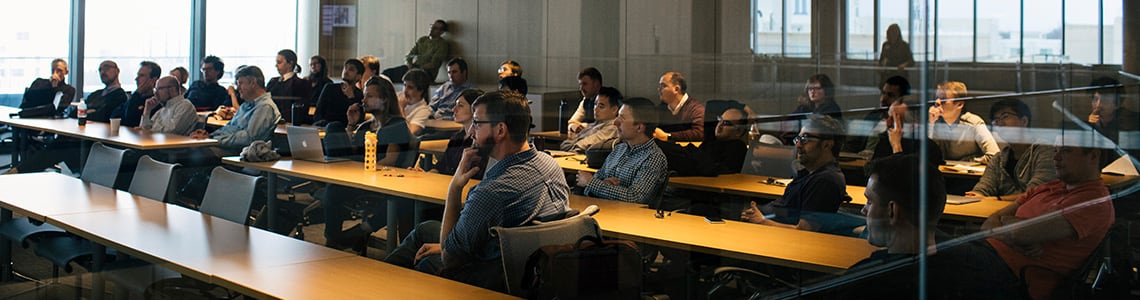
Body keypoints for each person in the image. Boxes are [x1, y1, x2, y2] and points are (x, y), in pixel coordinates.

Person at [383, 91, 572, 292]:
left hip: (492, 277)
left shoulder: (491, 192)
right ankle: (380, 282)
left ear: (500, 130)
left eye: (477, 123)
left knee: (427, 262)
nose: (471, 131)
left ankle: (378, 287)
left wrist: (455, 187)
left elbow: (449, 258)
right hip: (528, 264)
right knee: (425, 228)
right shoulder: (550, 164)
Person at [839, 154, 1024, 299]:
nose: (864, 211)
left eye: (869, 201)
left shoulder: (868, 281)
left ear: (892, 210)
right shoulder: (984, 267)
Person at [983, 132, 1114, 300]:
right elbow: (988, 225)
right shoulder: (1048, 187)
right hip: (991, 257)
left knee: (941, 258)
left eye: (1065, 151)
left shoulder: (1094, 201)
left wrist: (1012, 226)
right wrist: (1017, 236)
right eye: (1055, 150)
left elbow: (1020, 233)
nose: (1056, 157)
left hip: (1014, 277)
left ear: (1093, 156)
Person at [321, 76, 417, 251]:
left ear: (385, 99)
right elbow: (354, 153)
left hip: (381, 179)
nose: (363, 100)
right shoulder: (365, 126)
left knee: (334, 190)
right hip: (357, 175)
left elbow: (390, 160)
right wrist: (351, 125)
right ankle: (333, 239)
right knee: (334, 127)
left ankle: (340, 238)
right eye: (364, 96)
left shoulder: (396, 125)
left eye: (370, 96)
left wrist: (361, 170)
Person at [9, 60, 127, 175]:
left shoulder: (119, 95)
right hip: (81, 136)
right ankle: (20, 171)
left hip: (95, 142)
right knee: (60, 145)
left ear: (117, 71)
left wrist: (87, 112)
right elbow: (74, 113)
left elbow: (102, 116)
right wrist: (88, 112)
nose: (102, 72)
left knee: (61, 147)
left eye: (106, 68)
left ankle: (19, 171)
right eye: (100, 69)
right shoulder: (96, 93)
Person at [741, 114, 848, 231]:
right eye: (798, 139)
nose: (798, 145)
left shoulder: (825, 180)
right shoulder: (808, 173)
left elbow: (804, 230)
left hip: (777, 237)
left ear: (826, 145)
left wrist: (762, 221)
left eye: (805, 139)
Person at [576, 97, 668, 204]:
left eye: (622, 118)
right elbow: (588, 188)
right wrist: (602, 185)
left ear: (639, 127)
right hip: (605, 210)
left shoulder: (653, 157)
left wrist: (593, 183)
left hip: (631, 218)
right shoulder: (619, 149)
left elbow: (635, 198)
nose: (615, 122)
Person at [965, 98, 1056, 200]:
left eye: (1005, 117)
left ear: (1024, 121)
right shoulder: (999, 159)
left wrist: (997, 199)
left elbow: (1034, 194)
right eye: (996, 120)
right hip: (1001, 212)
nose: (1000, 123)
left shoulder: (1045, 152)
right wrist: (975, 195)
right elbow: (983, 188)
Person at [189, 65, 282, 157]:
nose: (238, 88)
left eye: (240, 83)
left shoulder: (265, 107)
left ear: (253, 83)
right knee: (190, 148)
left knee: (192, 153)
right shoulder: (246, 105)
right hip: (229, 148)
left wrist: (214, 140)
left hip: (240, 153)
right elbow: (230, 128)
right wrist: (209, 136)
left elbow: (248, 139)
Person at [928, 81, 1000, 165]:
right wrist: (930, 124)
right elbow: (927, 156)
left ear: (960, 104)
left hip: (968, 176)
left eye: (943, 99)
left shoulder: (973, 123)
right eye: (936, 98)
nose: (937, 102)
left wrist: (970, 161)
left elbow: (994, 155)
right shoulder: (935, 122)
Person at [419, 89, 487, 178]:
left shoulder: (479, 142)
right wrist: (425, 175)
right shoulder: (457, 137)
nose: (454, 109)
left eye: (460, 106)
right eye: (455, 105)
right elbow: (441, 166)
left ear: (475, 110)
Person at [846, 75, 910, 154]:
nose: (883, 99)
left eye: (890, 95)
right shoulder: (874, 115)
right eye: (883, 93)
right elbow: (855, 143)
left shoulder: (902, 125)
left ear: (901, 100)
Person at [1086, 76, 1139, 167]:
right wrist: (1093, 126)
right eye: (1095, 99)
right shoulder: (1093, 122)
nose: (1098, 105)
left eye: (1104, 101)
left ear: (1117, 104)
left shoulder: (1131, 121)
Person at [383, 19, 450, 81]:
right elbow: (409, 55)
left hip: (426, 72)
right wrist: (409, 64)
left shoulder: (442, 44)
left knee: (407, 77)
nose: (431, 29)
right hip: (412, 67)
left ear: (441, 32)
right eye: (432, 26)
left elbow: (434, 64)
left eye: (435, 28)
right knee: (387, 73)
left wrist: (417, 69)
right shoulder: (423, 40)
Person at [560, 86, 621, 153]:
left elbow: (582, 145)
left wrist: (572, 146)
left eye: (601, 106)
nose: (595, 109)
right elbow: (564, 145)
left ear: (614, 110)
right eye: (595, 104)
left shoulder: (613, 127)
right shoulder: (595, 124)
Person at [653, 71, 704, 142]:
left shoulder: (696, 108)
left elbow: (699, 133)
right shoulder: (662, 108)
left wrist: (668, 136)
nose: (659, 89)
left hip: (687, 150)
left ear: (676, 89)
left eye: (663, 86)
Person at [312, 58, 364, 127]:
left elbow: (356, 119)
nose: (346, 71)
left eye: (351, 69)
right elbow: (318, 113)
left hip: (345, 130)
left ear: (358, 76)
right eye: (345, 68)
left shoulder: (360, 95)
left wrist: (351, 98)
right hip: (325, 127)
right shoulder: (330, 88)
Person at [701, 105, 751, 174]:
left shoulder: (737, 148)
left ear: (739, 132)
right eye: (720, 120)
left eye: (726, 123)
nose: (719, 125)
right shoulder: (711, 141)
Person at [112, 61, 161, 127]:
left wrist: (137, 93)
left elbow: (130, 120)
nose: (136, 79)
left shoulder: (155, 103)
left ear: (154, 80)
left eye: (142, 76)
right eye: (138, 75)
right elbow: (114, 116)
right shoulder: (134, 98)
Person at [566, 67, 603, 134]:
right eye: (580, 84)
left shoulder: (607, 101)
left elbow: (600, 126)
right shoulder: (586, 100)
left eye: (585, 84)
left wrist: (582, 126)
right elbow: (571, 122)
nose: (581, 88)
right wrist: (575, 127)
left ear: (596, 84)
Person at [401, 68, 433, 136]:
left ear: (420, 91)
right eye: (404, 85)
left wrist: (401, 108)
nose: (405, 91)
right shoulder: (400, 99)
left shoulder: (424, 111)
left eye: (410, 87)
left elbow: (409, 133)